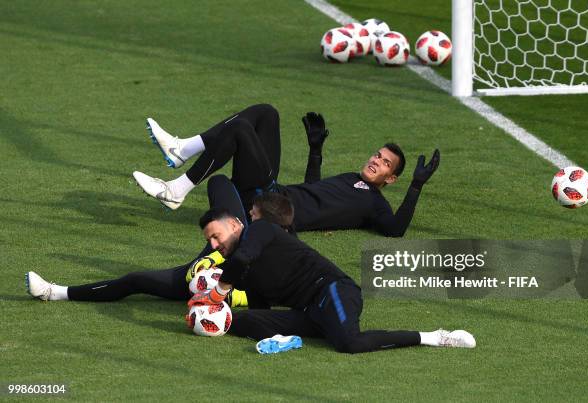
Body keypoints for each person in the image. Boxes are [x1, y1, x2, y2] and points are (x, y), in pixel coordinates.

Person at [188, 208, 476, 354]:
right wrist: (210, 313)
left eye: (216, 235)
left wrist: (216, 294)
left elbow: (240, 260)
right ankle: (288, 339)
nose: (214, 244)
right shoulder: (243, 267)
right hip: (308, 312)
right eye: (209, 240)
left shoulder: (258, 231)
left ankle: (434, 337)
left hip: (332, 289)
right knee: (241, 322)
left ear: (236, 225)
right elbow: (262, 305)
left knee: (348, 343)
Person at [133, 104, 440, 237]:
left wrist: (416, 186)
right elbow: (312, 191)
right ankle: (183, 148)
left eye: (385, 163)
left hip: (272, 206)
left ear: (391, 178)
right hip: (275, 193)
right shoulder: (352, 179)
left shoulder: (375, 204)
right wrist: (315, 151)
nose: (376, 161)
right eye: (378, 155)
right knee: (267, 113)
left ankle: (177, 189)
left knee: (241, 129)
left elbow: (396, 230)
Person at [25, 177, 294, 305]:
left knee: (134, 280)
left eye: (253, 216)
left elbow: (264, 299)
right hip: (213, 259)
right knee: (218, 181)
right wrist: (210, 257)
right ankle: (178, 189)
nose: (248, 214)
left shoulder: (272, 260)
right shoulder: (238, 230)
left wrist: (220, 294)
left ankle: (55, 292)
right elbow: (220, 184)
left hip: (202, 285)